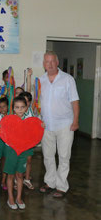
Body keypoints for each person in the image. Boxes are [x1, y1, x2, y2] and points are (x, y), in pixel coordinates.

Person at [39, 51, 80, 198]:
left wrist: (75, 121)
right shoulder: (40, 80)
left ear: (57, 63)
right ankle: (50, 182)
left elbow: (75, 101)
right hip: (46, 125)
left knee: (64, 156)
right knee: (48, 156)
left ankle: (62, 186)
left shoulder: (68, 79)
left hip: (65, 124)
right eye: (46, 62)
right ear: (43, 64)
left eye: (52, 61)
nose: (49, 64)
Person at [0, 96, 29, 210]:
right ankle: (11, 198)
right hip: (11, 150)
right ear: (13, 108)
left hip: (23, 150)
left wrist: (40, 127)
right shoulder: (8, 119)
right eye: (17, 107)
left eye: (22, 107)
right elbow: (3, 132)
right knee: (11, 175)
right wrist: (0, 127)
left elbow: (33, 132)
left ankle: (19, 198)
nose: (20, 110)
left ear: (26, 108)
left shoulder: (28, 120)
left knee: (20, 175)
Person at [19, 92, 35, 189]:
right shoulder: (18, 112)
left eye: (28, 101)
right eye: (25, 101)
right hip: (19, 141)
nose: (27, 103)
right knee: (20, 160)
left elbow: (35, 124)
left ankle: (27, 179)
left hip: (29, 140)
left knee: (28, 159)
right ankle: (17, 179)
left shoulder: (30, 111)